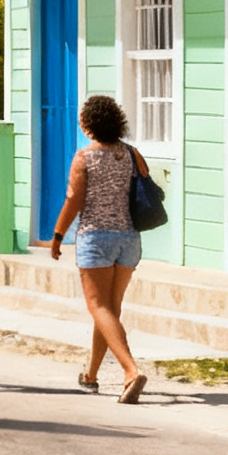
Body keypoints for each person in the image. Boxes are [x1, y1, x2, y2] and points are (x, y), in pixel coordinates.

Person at [50, 95, 152, 403]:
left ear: (87, 124)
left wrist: (57, 236)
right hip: (129, 240)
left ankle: (130, 370)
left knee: (99, 307)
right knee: (110, 310)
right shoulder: (132, 153)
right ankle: (91, 375)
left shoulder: (85, 157)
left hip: (96, 238)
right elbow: (146, 183)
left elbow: (73, 199)